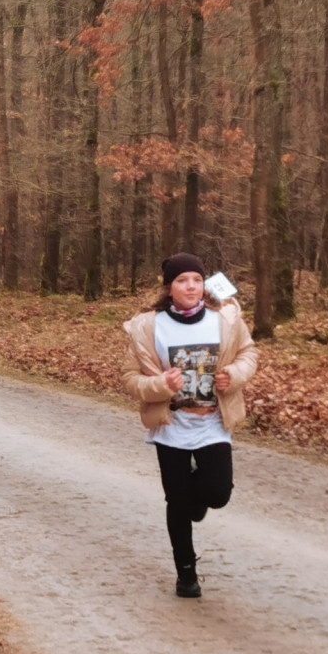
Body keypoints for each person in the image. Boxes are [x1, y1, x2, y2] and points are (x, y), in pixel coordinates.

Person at [121, 253, 258, 598]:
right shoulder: (148, 327)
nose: (191, 286)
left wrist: (235, 376)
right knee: (177, 503)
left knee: (217, 492)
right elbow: (129, 378)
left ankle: (198, 503)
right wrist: (160, 386)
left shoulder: (224, 319)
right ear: (169, 287)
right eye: (182, 280)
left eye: (196, 279)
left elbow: (248, 353)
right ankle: (186, 573)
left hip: (213, 421)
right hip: (170, 425)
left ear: (204, 284)